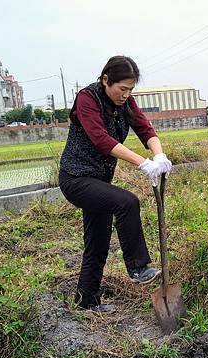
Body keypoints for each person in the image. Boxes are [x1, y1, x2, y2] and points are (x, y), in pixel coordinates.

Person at [59, 55, 172, 313]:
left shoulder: (125, 102)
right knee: (126, 202)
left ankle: (86, 302)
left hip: (98, 181)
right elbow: (101, 140)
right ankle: (137, 267)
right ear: (105, 79)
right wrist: (143, 163)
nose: (126, 95)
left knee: (98, 241)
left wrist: (159, 154)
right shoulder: (88, 98)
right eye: (122, 89)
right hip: (76, 178)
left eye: (131, 90)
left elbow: (145, 129)